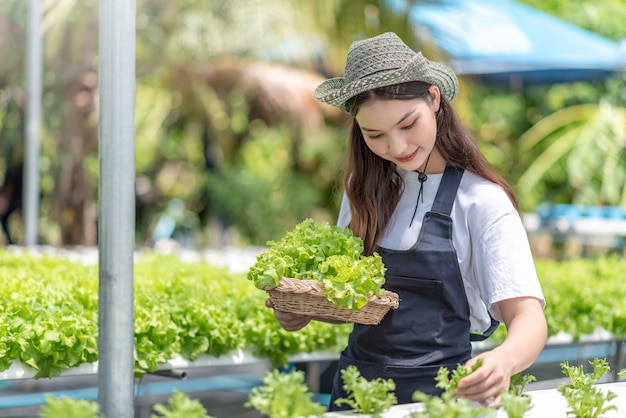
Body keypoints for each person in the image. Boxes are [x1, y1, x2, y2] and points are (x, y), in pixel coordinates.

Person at [265, 32, 547, 410]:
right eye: (375, 135)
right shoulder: (360, 189)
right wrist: (305, 309)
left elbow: (528, 316)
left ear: (433, 99)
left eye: (408, 124)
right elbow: (364, 305)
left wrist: (503, 359)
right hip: (357, 392)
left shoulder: (481, 201)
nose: (397, 148)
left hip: (444, 397)